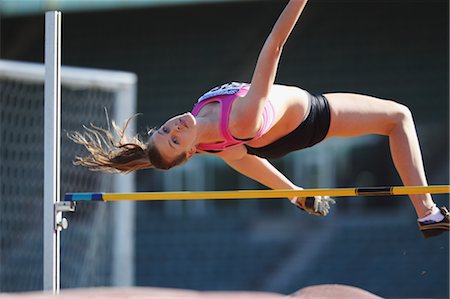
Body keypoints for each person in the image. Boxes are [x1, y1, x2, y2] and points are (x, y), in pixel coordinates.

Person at [69, 0, 449, 238]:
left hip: (271, 133)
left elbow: (255, 167)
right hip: (312, 118)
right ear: (188, 152)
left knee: (243, 157)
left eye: (165, 129)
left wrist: (297, 195)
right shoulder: (241, 121)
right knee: (399, 117)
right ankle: (428, 213)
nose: (174, 127)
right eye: (174, 139)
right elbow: (275, 45)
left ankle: (421, 213)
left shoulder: (211, 131)